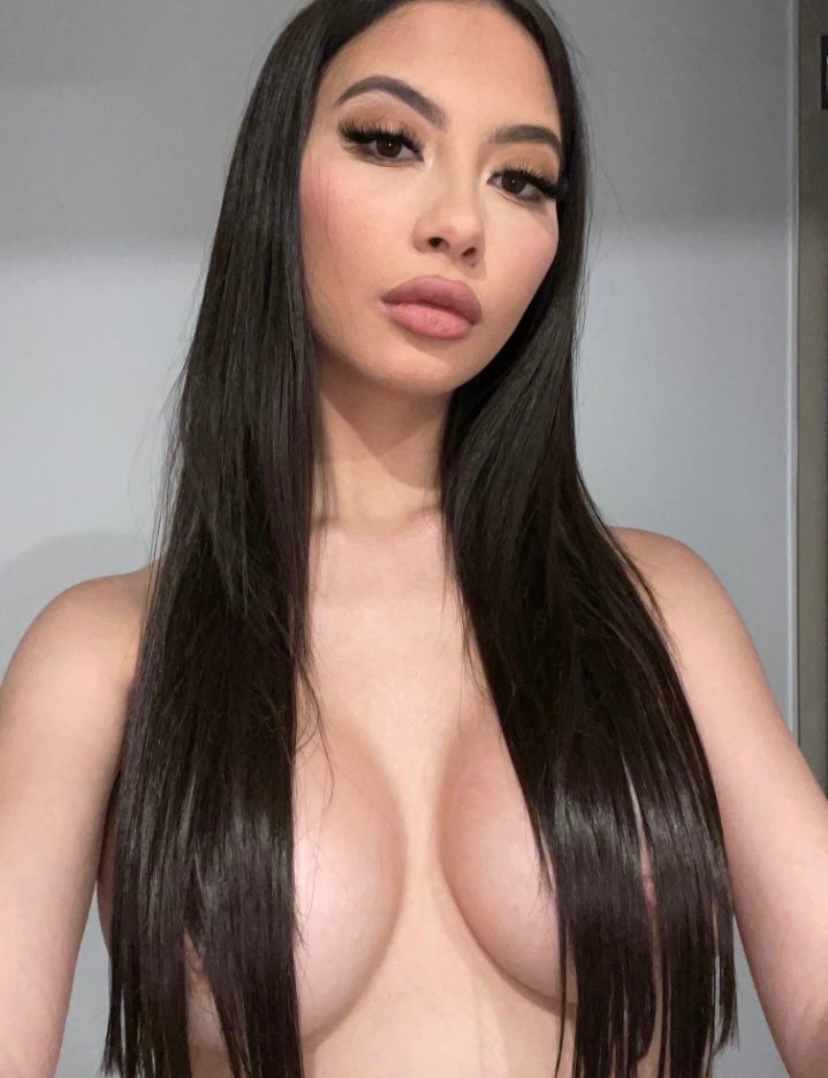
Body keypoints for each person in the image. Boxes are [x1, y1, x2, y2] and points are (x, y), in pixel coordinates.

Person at [2, 0, 828, 1075]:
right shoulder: (103, 656)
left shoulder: (661, 608)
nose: (459, 223)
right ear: (274, 178)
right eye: (389, 141)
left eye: (521, 178)